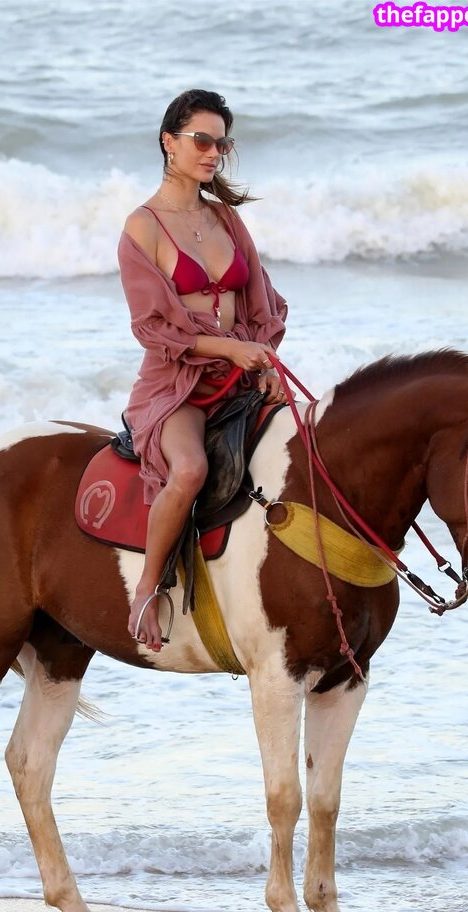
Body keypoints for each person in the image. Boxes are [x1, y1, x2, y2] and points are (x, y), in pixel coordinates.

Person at [118, 88, 288, 651]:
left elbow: (261, 303)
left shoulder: (226, 220)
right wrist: (228, 350)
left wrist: (263, 359)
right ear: (169, 142)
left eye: (223, 143)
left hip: (242, 375)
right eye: (202, 140)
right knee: (189, 469)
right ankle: (147, 589)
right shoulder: (143, 227)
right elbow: (152, 327)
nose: (214, 152)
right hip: (178, 385)